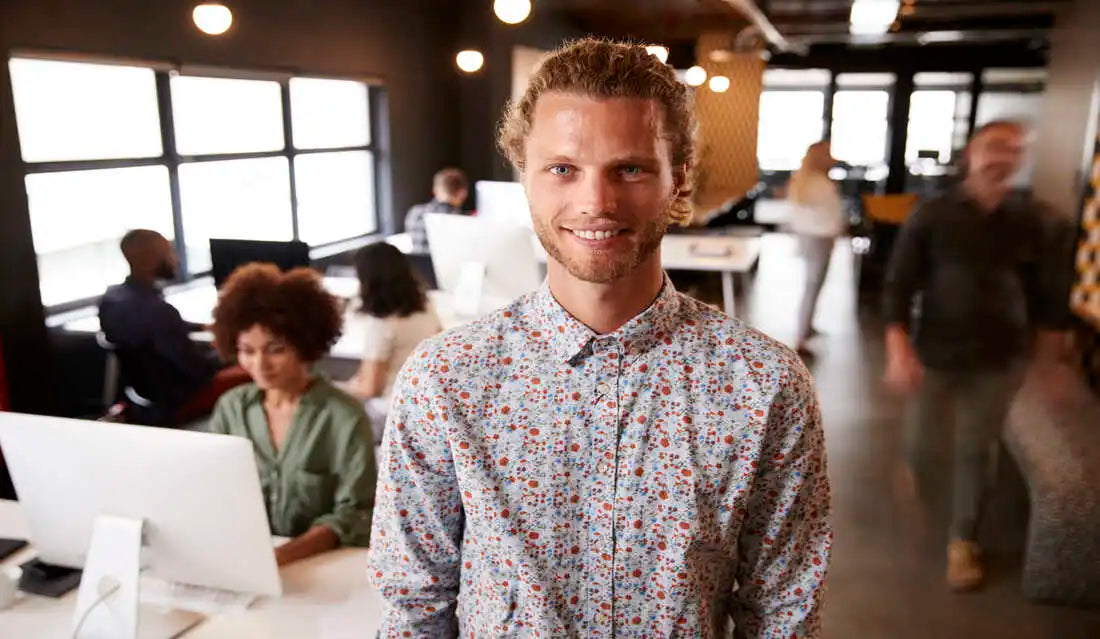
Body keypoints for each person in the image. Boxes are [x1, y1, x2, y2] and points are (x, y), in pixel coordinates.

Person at [369, 38, 831, 637]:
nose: (596, 202)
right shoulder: (445, 379)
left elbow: (783, 615)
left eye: (631, 168)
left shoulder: (764, 384)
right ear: (525, 175)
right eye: (563, 169)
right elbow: (412, 607)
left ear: (679, 176)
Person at [883, 120, 1074, 591]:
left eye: (1013, 149)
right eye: (994, 146)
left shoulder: (1037, 221)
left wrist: (1049, 364)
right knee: (923, 450)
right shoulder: (931, 216)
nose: (1002, 156)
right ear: (972, 152)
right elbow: (899, 285)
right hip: (937, 353)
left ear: (1021, 159)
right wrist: (897, 350)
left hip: (1001, 358)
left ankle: (963, 540)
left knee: (975, 448)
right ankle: (930, 486)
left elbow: (1051, 300)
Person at [208, 264, 376, 566]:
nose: (260, 364)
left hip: (321, 565)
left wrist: (283, 557)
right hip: (247, 558)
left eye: (275, 350)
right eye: (247, 350)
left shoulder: (344, 417)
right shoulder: (232, 409)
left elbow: (355, 513)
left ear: (304, 346)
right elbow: (215, 491)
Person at [99, 229, 249, 425]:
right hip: (180, 400)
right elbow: (199, 371)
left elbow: (151, 329)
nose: (176, 260)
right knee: (256, 371)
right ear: (150, 259)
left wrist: (203, 327)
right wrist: (229, 351)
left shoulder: (112, 299)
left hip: (143, 400)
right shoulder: (159, 311)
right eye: (169, 253)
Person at [342, 243, 442, 444]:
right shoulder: (426, 306)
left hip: (388, 414)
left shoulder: (382, 327)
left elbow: (371, 389)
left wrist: (337, 388)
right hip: (422, 407)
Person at [786, 141, 845, 354]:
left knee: (814, 284)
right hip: (818, 238)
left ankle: (807, 327)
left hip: (814, 237)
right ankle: (801, 337)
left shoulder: (806, 180)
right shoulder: (816, 182)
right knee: (813, 285)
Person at [404, 167, 470, 255]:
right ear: (463, 193)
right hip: (444, 268)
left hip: (416, 268)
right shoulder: (461, 221)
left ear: (435, 190)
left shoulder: (415, 212)